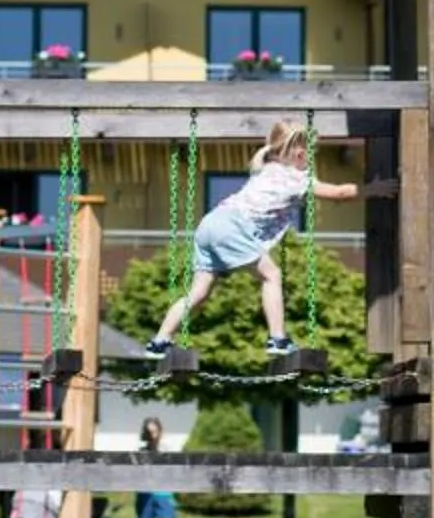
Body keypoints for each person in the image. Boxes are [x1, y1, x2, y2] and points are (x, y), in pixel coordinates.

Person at [148, 119, 372, 353]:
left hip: (211, 223)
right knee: (272, 275)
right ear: (299, 154)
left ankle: (159, 341)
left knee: (199, 292)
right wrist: (372, 190)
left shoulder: (264, 166)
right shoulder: (297, 180)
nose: (311, 160)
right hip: (233, 227)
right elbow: (340, 192)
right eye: (311, 154)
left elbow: (261, 156)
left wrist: (273, 145)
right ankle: (278, 339)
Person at [134, 417, 183, 518]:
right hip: (145, 495)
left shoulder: (168, 451)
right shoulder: (141, 452)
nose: (152, 435)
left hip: (163, 495)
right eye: (149, 432)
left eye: (155, 431)